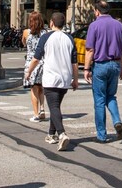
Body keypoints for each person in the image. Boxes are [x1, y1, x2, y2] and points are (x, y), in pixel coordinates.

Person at [24, 12, 78, 152]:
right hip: (65, 78)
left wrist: (28, 72)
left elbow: (36, 59)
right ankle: (50, 134)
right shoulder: (70, 39)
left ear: (51, 23)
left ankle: (62, 134)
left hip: (51, 78)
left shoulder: (46, 37)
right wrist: (76, 80)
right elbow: (74, 63)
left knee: (54, 107)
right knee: (56, 106)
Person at [83, 0, 122, 143]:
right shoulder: (118, 25)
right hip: (115, 64)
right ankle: (117, 120)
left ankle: (101, 135)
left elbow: (90, 50)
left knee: (100, 100)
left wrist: (86, 68)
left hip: (100, 65)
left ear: (97, 11)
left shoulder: (94, 26)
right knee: (111, 96)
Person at [21, 11, 48, 122]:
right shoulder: (45, 33)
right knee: (41, 87)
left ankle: (36, 114)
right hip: (43, 62)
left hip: (31, 63)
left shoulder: (26, 32)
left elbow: (23, 43)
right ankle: (42, 109)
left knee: (33, 89)